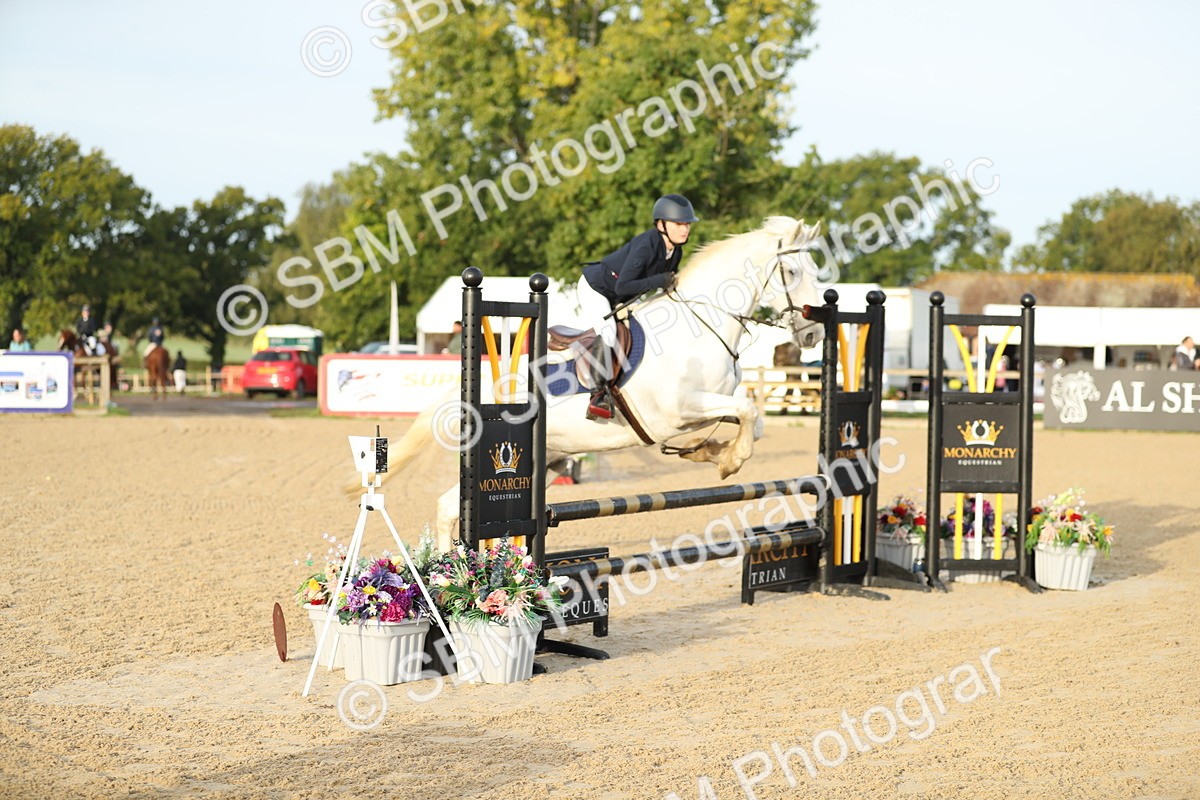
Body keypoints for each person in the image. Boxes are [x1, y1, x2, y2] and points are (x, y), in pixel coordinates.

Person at [577, 193, 697, 419]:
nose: (684, 229)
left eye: (687, 224)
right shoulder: (647, 245)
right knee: (609, 332)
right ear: (661, 224)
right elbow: (624, 286)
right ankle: (597, 394)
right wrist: (658, 281)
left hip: (622, 296)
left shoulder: (675, 251)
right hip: (597, 289)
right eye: (678, 224)